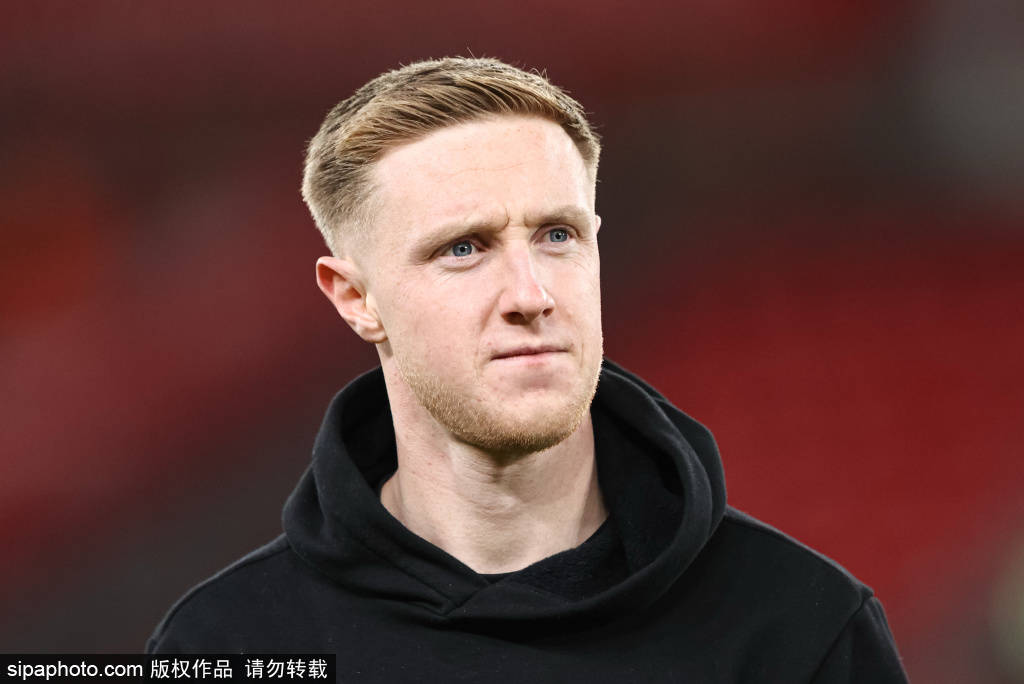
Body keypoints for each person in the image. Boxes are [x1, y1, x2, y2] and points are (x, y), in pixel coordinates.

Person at [147, 57, 908, 682]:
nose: (531, 295)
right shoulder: (226, 644)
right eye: (463, 248)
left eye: (557, 235)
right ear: (356, 299)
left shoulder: (800, 629)